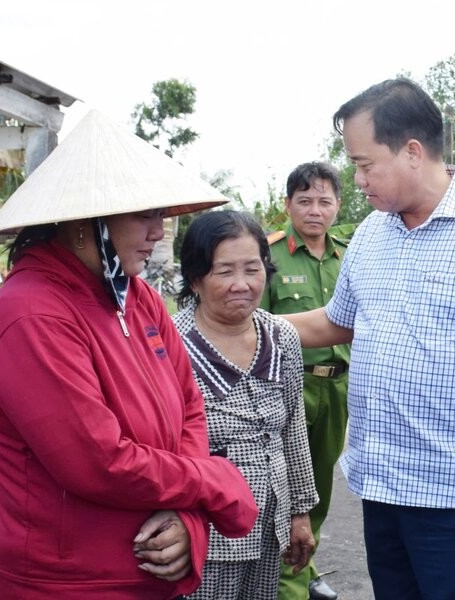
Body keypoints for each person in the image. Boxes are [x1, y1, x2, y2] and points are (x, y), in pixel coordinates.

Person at [284, 77, 455, 600]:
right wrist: (241, 328)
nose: (357, 180)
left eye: (365, 165)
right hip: (380, 484)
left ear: (412, 152)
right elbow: (340, 320)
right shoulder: (371, 233)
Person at [0, 109, 258, 599]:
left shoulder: (139, 299)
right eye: (146, 215)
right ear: (86, 220)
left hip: (149, 572)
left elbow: (189, 410)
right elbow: (97, 461)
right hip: (70, 584)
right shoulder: (31, 312)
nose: (159, 232)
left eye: (160, 215)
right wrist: (211, 483)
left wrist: (187, 517)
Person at [172, 210, 318, 599]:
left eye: (252, 269)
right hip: (205, 527)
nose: (242, 284)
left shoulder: (281, 336)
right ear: (195, 278)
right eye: (224, 272)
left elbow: (293, 432)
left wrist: (300, 514)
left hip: (272, 520)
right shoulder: (171, 345)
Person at [263, 162, 348, 600]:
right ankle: (288, 586)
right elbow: (253, 329)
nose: (315, 210)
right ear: (288, 205)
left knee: (318, 486)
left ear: (337, 205)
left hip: (338, 388)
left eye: (324, 201)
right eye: (305, 201)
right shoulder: (268, 255)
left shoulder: (349, 256)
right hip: (288, 389)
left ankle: (302, 565)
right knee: (284, 488)